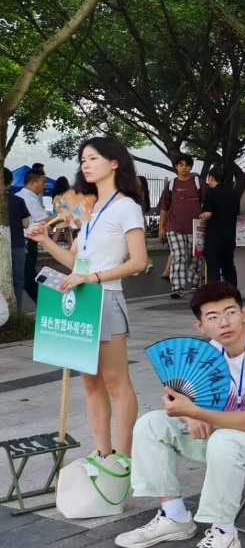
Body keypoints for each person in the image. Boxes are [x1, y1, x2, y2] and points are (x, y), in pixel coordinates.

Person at [114, 282, 245, 548]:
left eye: (230, 312)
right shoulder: (212, 351)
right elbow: (181, 398)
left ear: (244, 314)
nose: (224, 322)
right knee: (151, 424)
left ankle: (224, 533)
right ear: (200, 326)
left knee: (225, 440)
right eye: (213, 317)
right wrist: (189, 415)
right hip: (225, 437)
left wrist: (195, 411)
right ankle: (174, 516)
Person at [27, 137, 148, 470]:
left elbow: (138, 261)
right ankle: (102, 452)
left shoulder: (126, 206)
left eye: (93, 158)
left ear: (114, 162)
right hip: (80, 300)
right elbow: (75, 261)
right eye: (83, 159)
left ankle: (125, 459)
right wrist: (45, 240)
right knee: (90, 382)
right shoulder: (86, 209)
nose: (86, 164)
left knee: (116, 383)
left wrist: (93, 278)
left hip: (106, 298)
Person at [159, 156, 204, 298]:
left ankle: (195, 284)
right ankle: (177, 288)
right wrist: (161, 227)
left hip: (195, 228)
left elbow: (209, 204)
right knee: (179, 256)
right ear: (176, 166)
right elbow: (164, 208)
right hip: (174, 227)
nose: (184, 168)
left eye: (187, 165)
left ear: (191, 167)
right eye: (181, 165)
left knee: (195, 257)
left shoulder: (198, 183)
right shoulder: (171, 185)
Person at [200, 167, 240, 287]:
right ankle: (233, 292)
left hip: (214, 237)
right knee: (229, 267)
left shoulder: (211, 193)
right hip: (229, 236)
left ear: (211, 178)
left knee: (214, 270)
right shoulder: (234, 194)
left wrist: (202, 215)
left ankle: (215, 295)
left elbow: (208, 214)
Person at [17, 168, 49, 304]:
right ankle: (43, 303)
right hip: (28, 241)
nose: (45, 185)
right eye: (43, 182)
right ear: (33, 182)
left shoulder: (19, 195)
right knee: (27, 275)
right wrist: (64, 215)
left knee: (27, 274)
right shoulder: (30, 199)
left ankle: (42, 302)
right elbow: (45, 220)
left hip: (22, 241)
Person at [6, 169, 29, 311]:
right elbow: (26, 224)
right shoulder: (18, 200)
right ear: (10, 183)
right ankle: (16, 311)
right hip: (17, 246)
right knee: (18, 281)